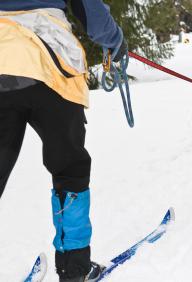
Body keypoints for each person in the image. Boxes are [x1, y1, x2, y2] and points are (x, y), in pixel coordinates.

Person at [0, 1, 127, 281]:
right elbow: (90, 13)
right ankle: (74, 269)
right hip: (52, 63)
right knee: (70, 169)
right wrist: (115, 41)